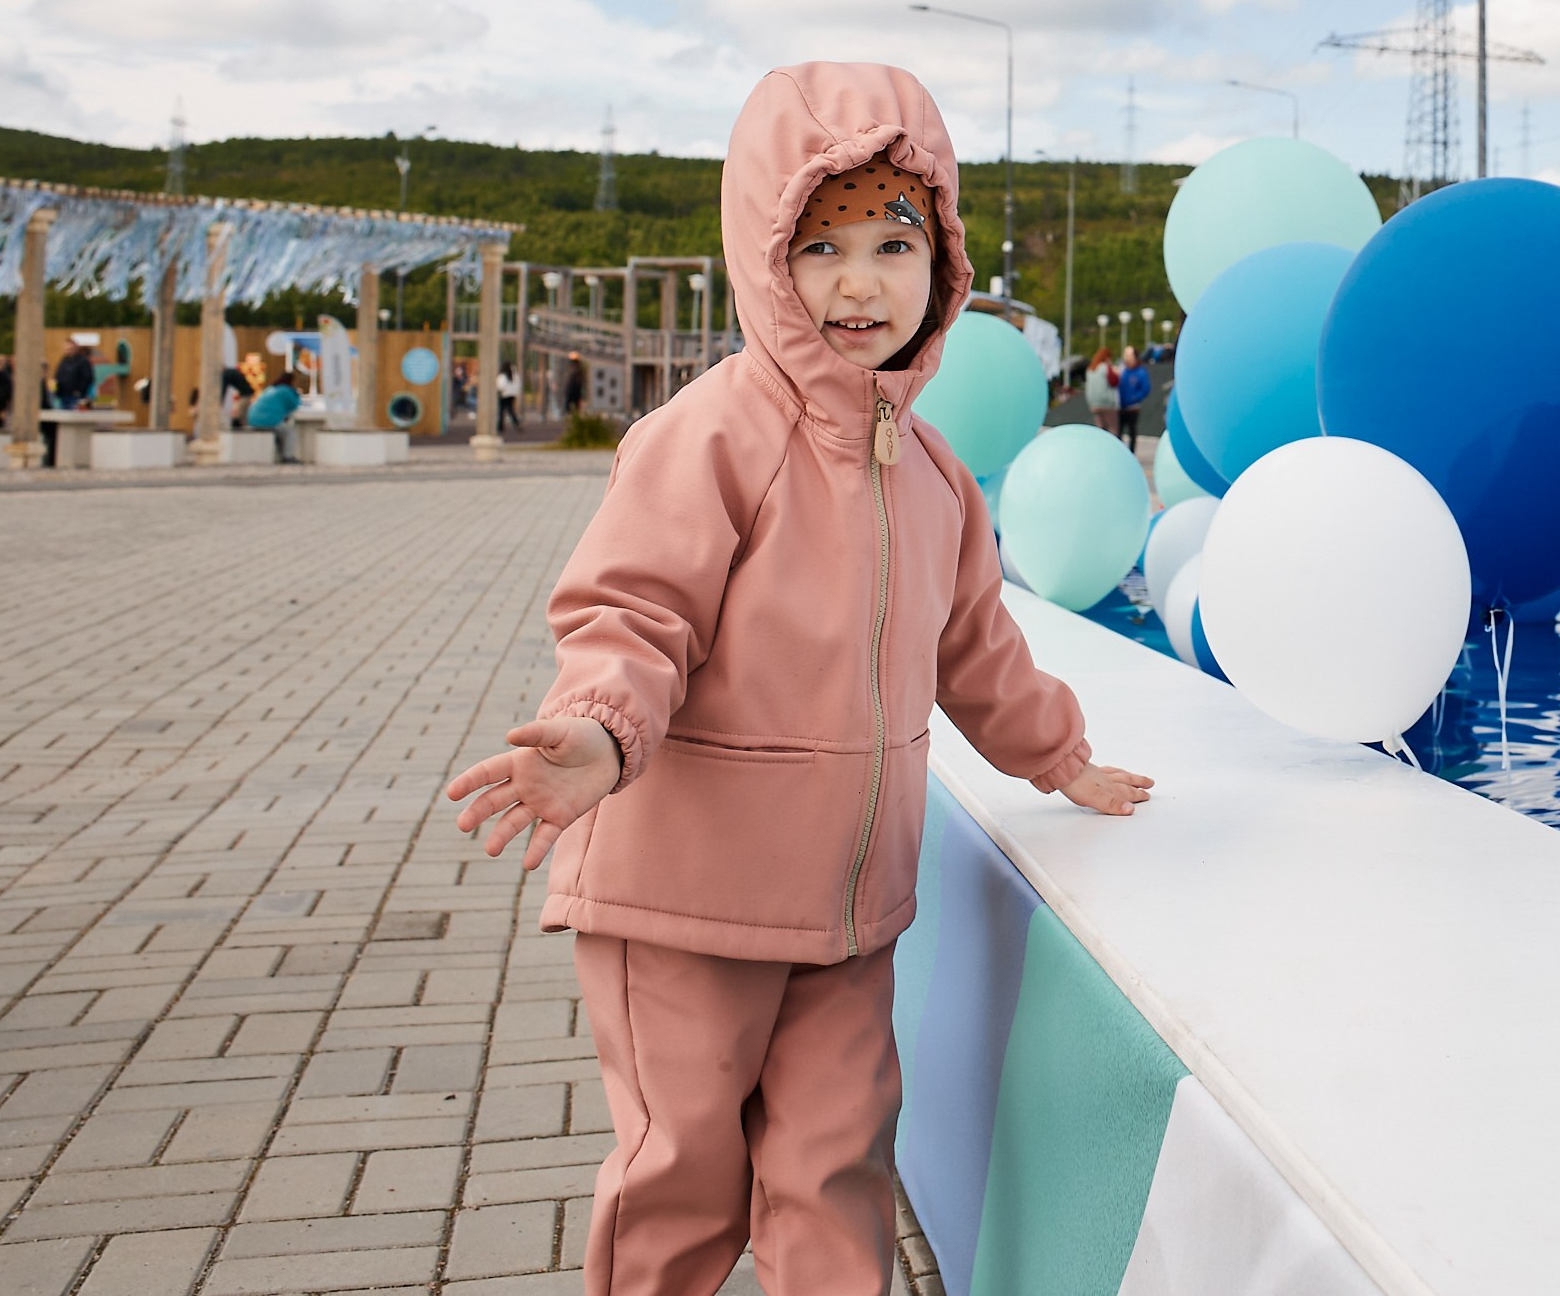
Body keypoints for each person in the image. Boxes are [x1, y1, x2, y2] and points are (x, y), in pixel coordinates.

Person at [444, 63, 1152, 1296]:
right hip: (686, 905)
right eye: (819, 248)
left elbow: (975, 647)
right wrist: (600, 733)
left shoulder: (933, 477)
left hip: (847, 915)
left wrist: (1058, 754)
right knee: (685, 1177)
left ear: (944, 264)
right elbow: (633, 606)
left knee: (835, 1167)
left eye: (893, 241)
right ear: (764, 262)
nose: (859, 281)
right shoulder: (715, 432)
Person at [244, 371, 302, 461]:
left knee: (281, 431)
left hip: (253, 420)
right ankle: (288, 456)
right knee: (289, 432)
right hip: (268, 422)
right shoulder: (285, 390)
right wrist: (296, 393)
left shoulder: (270, 389)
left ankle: (280, 455)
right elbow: (295, 404)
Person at [1115, 343, 1150, 453]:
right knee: (1118, 431)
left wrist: (1135, 398)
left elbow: (1145, 388)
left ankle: (1131, 452)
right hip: (1120, 406)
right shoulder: (1122, 370)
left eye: (1129, 356)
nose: (1127, 358)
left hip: (1132, 407)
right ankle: (1120, 452)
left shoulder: (1140, 372)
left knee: (1132, 431)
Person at [1082, 344, 1118, 433]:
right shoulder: (1105, 367)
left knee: (1101, 428)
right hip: (1106, 403)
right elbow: (1114, 381)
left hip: (1093, 403)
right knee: (1112, 429)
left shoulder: (1090, 369)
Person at [496, 364, 522, 435]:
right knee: (510, 410)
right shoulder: (515, 375)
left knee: (501, 410)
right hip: (512, 395)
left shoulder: (502, 376)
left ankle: (500, 426)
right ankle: (516, 422)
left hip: (503, 395)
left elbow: (500, 386)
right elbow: (518, 385)